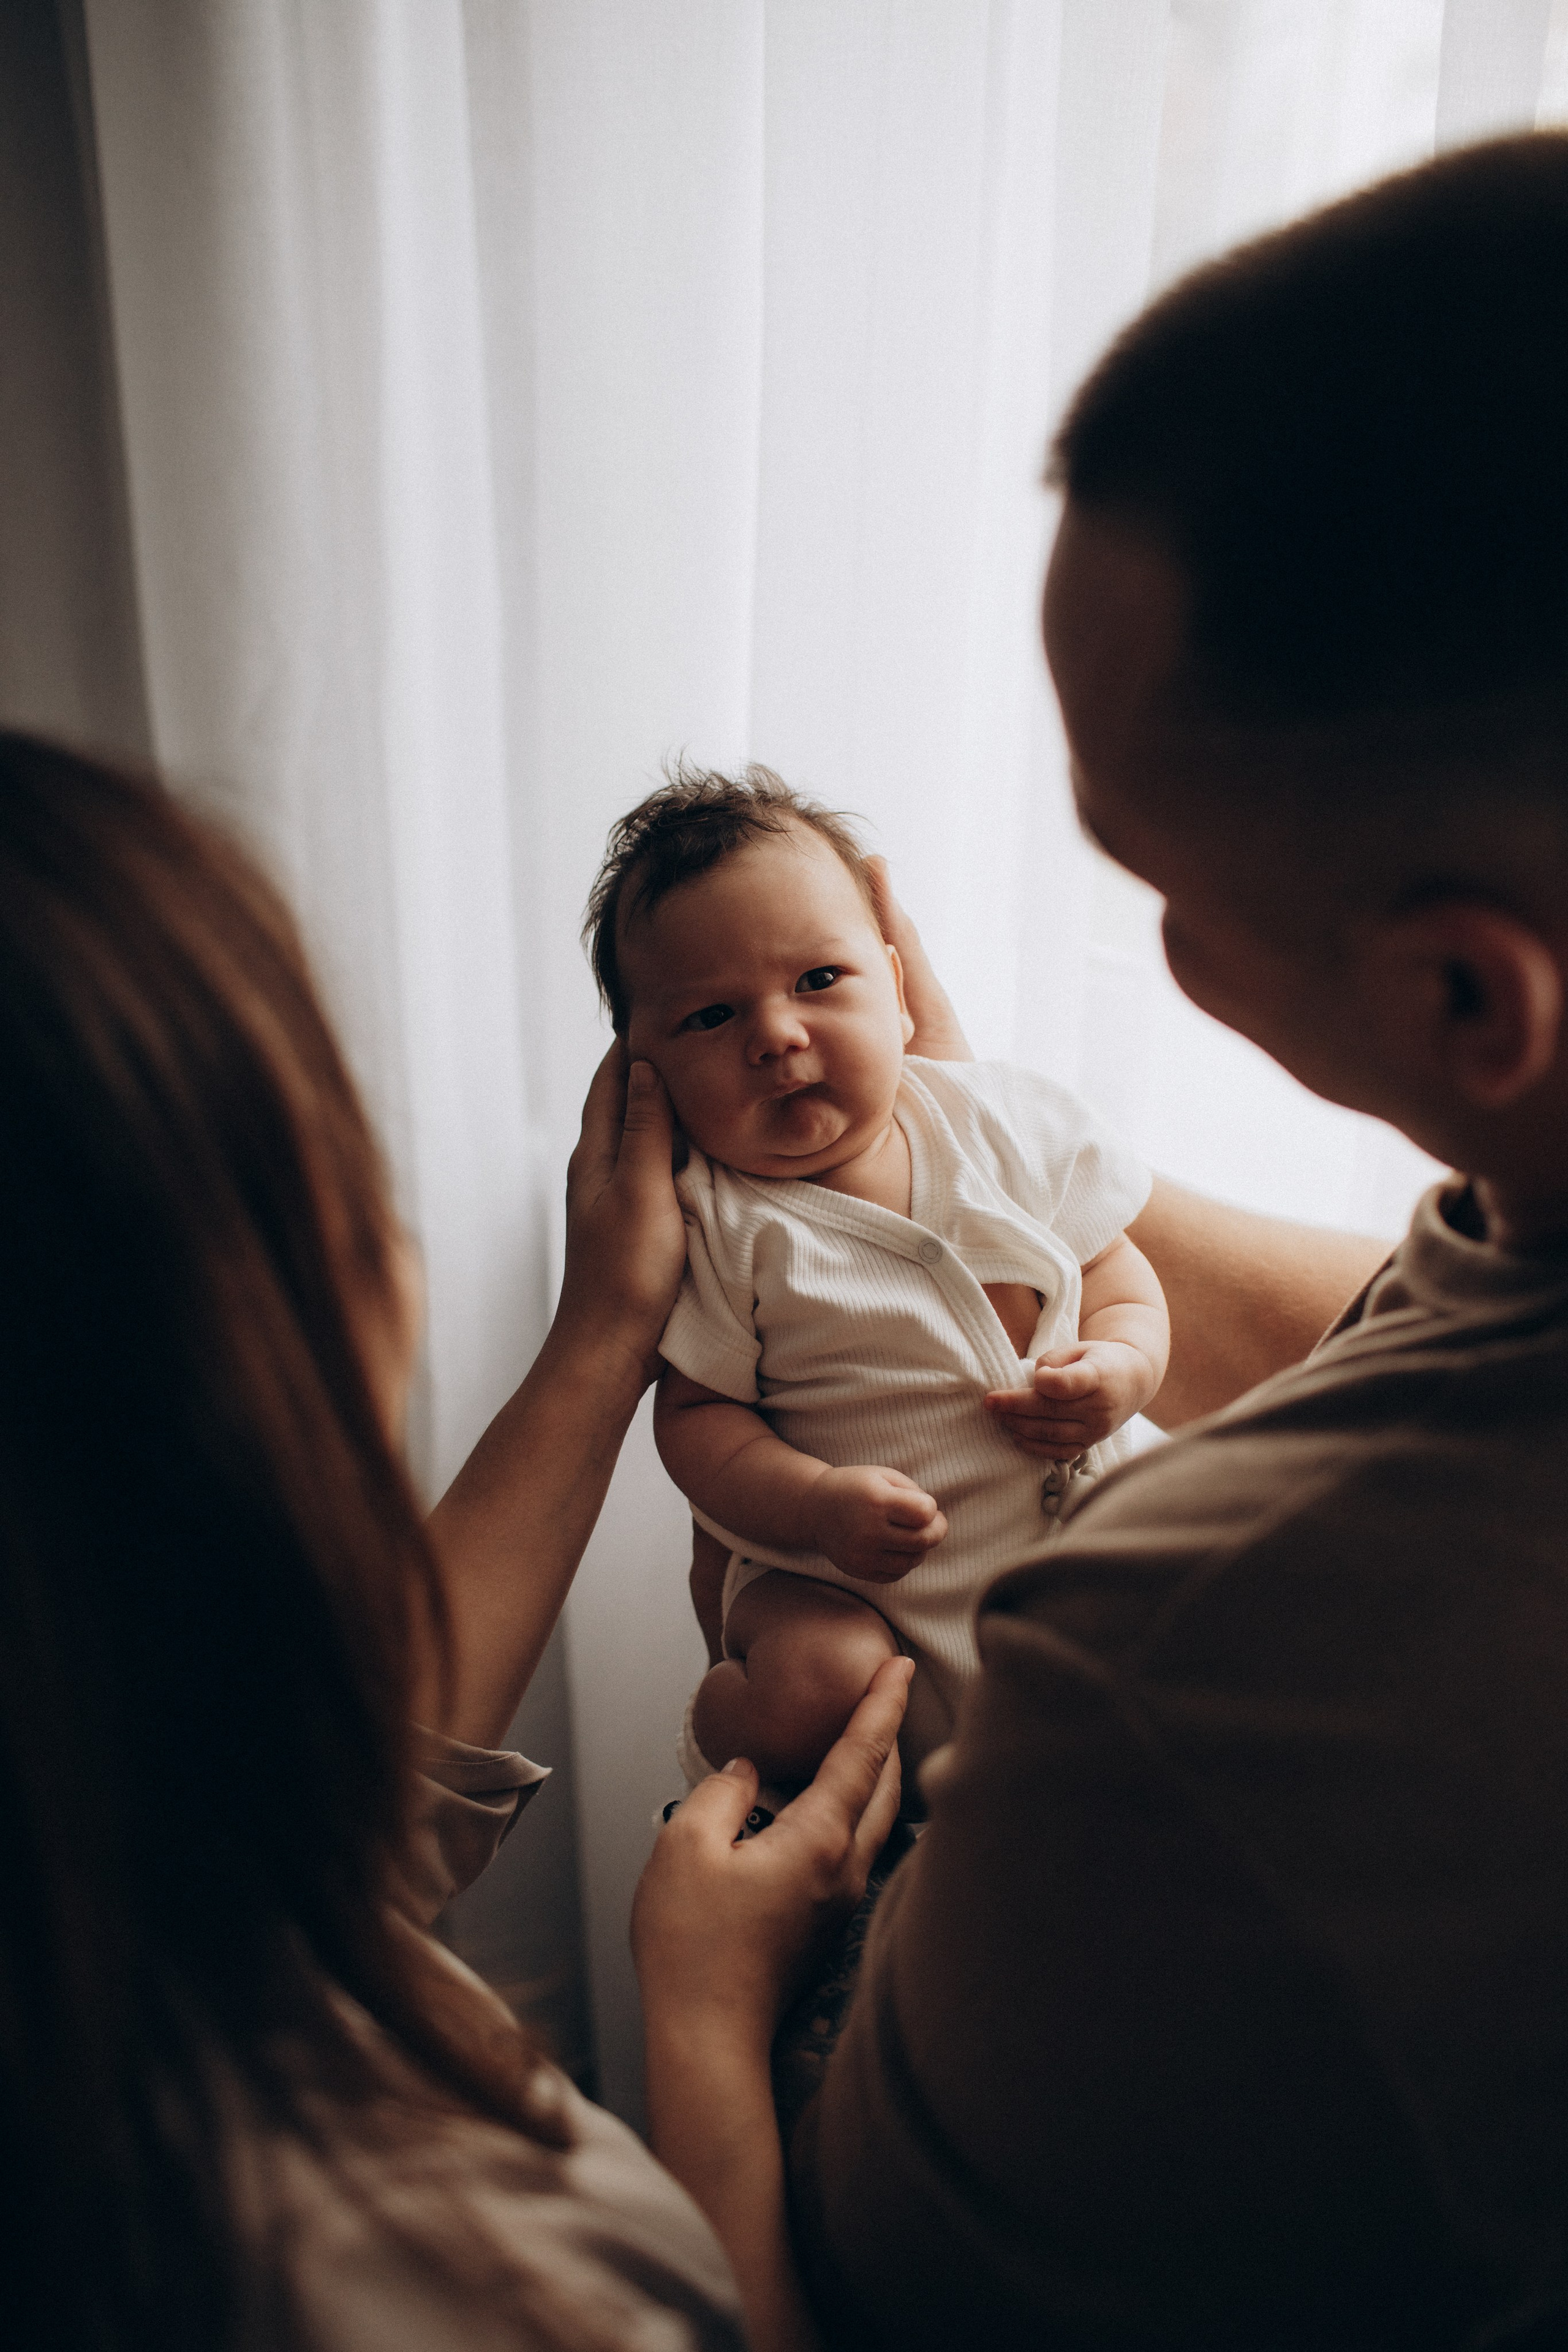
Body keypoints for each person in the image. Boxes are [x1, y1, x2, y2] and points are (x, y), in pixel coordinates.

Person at [631, 131, 1568, 2350]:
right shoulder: (1504, 1229)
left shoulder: (1166, 1678)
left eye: (1157, 877)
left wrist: (692, 2028)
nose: (1153, 947)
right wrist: (950, 1150)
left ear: (1464, 999)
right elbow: (1418, 1316)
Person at [0, 725, 919, 2352]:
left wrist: (644, 1309)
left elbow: (331, 1807)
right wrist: (703, 2029)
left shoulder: (120, 1860)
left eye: (828, 983)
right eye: (327, 1146)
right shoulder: (434, 2275)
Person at [584, 765, 1167, 1788]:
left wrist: (1121, 1367)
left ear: (898, 992)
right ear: (647, 1070)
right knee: (815, 1673)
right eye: (711, 1019)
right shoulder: (718, 1224)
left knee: (1219, 1570)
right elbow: (697, 1421)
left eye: (819, 981)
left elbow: (1121, 1274)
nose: (776, 1035)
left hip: (1084, 1546)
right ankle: (748, 1765)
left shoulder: (1002, 1122)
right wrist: (815, 1505)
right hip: (854, 1583)